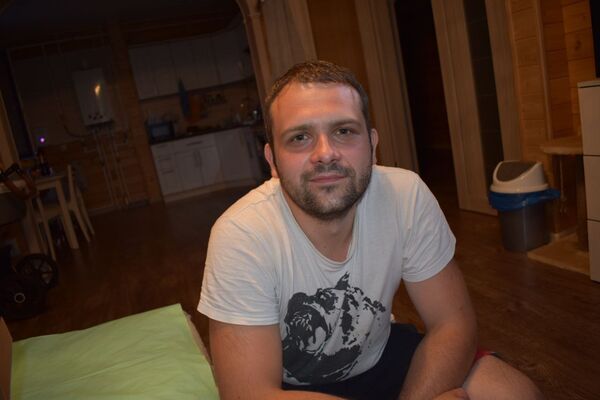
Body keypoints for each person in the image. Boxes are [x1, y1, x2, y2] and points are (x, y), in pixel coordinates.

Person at [198, 60, 543, 400]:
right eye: (300, 137)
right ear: (272, 160)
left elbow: (452, 323)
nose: (325, 154)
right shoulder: (241, 234)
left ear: (373, 146)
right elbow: (249, 393)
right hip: (288, 387)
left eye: (344, 131)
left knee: (516, 393)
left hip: (376, 357)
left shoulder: (405, 195)